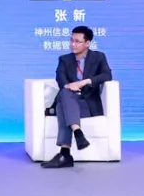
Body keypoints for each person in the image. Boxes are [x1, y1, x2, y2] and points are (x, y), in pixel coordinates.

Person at [41, 26, 112, 168]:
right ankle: (78, 132)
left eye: (77, 41)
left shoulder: (98, 57)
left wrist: (85, 82)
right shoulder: (64, 59)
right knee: (65, 93)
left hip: (87, 105)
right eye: (71, 40)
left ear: (88, 43)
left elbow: (107, 75)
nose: (73, 44)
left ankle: (65, 154)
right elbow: (60, 78)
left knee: (62, 106)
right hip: (70, 99)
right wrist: (69, 86)